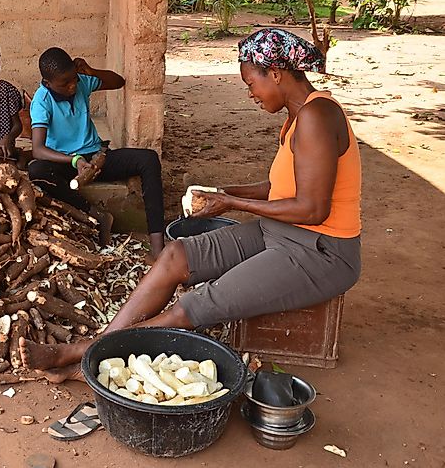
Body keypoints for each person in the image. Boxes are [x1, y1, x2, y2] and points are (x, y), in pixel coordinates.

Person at [19, 28, 362, 383]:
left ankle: (83, 354)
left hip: (321, 252)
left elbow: (312, 209)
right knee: (176, 255)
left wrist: (229, 202)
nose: (251, 95)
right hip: (282, 233)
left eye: (251, 83)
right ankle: (95, 349)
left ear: (274, 73)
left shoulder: (316, 117)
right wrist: (221, 190)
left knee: (195, 305)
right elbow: (279, 188)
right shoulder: (297, 118)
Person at [28, 47, 166, 255]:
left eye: (73, 79)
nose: (72, 86)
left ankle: (157, 241)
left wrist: (92, 71)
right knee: (37, 171)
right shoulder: (42, 101)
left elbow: (118, 82)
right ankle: (96, 214)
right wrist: (74, 160)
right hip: (67, 164)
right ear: (48, 83)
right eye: (64, 84)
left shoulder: (82, 82)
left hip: (97, 158)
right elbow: (38, 150)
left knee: (149, 159)